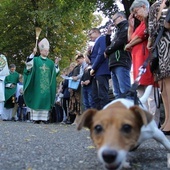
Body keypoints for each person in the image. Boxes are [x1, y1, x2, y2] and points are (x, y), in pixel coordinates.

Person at [124, 0, 160, 125]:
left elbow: (141, 37)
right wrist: (131, 25)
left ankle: (154, 123)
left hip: (146, 61)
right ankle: (143, 123)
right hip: (137, 63)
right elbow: (131, 38)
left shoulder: (148, 21)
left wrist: (129, 44)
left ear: (143, 6)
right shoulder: (139, 25)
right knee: (140, 94)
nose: (135, 15)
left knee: (150, 94)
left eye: (136, 11)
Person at [23, 38, 60, 124]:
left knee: (45, 101)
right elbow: (28, 66)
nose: (47, 52)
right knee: (37, 100)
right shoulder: (35, 60)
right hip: (36, 85)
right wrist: (33, 53)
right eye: (45, 50)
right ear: (41, 51)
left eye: (48, 51)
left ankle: (44, 119)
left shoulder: (50, 63)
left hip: (47, 87)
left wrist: (56, 64)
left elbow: (55, 73)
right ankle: (36, 119)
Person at [147, 0, 170, 134]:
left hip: (166, 42)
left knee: (168, 80)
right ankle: (167, 119)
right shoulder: (156, 4)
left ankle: (169, 121)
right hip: (161, 45)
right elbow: (152, 27)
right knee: (163, 84)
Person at [105, 12, 132, 99]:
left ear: (120, 17)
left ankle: (130, 111)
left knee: (125, 91)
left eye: (114, 20)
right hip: (113, 63)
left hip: (121, 61)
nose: (113, 23)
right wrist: (108, 35)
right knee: (117, 93)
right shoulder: (117, 31)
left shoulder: (126, 26)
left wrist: (107, 51)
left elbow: (119, 43)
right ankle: (121, 112)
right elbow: (110, 45)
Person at [88, 28, 111, 110]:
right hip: (96, 72)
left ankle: (105, 115)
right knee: (95, 95)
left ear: (95, 32)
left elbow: (101, 53)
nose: (89, 36)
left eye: (90, 34)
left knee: (102, 94)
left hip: (101, 70)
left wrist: (93, 67)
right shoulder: (95, 44)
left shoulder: (102, 39)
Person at [0, 54, 9, 118]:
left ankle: (0, 113)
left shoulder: (2, 57)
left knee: (0, 98)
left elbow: (4, 68)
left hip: (0, 79)